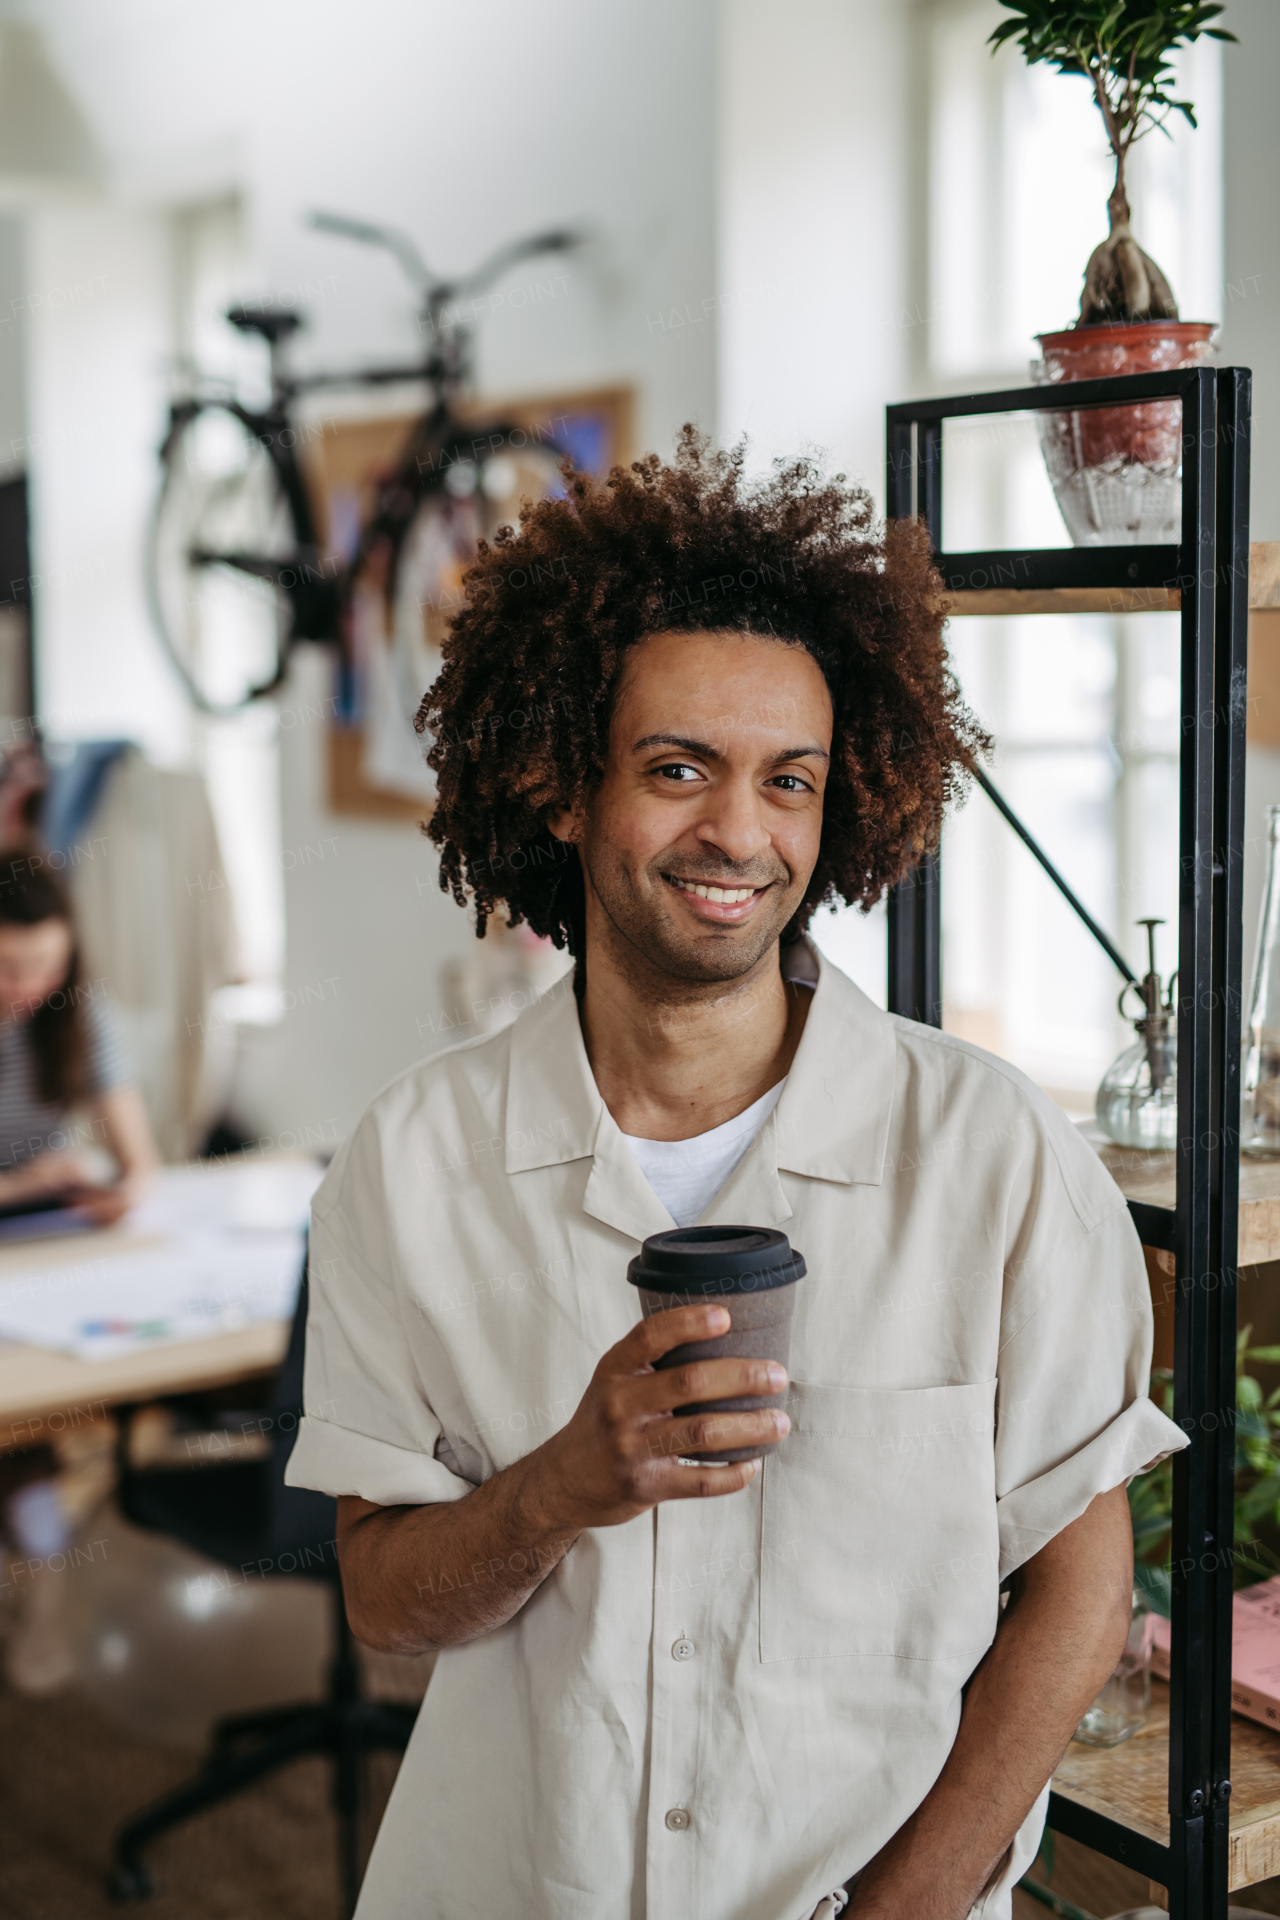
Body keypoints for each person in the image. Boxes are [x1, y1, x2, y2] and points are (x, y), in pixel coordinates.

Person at [287, 432, 1186, 1920]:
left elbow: (1081, 1592)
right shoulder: (416, 1159)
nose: (738, 834)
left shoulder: (993, 1156)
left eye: (790, 781)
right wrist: (562, 1489)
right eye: (678, 768)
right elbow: (384, 1597)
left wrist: (905, 1910)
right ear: (562, 784)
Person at [0, 853, 157, 1225]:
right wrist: (21, 1185)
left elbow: (139, 1162)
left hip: (47, 1214)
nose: (28, 986)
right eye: (7, 968)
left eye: (46, 965)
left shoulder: (80, 1013)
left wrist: (126, 1192)